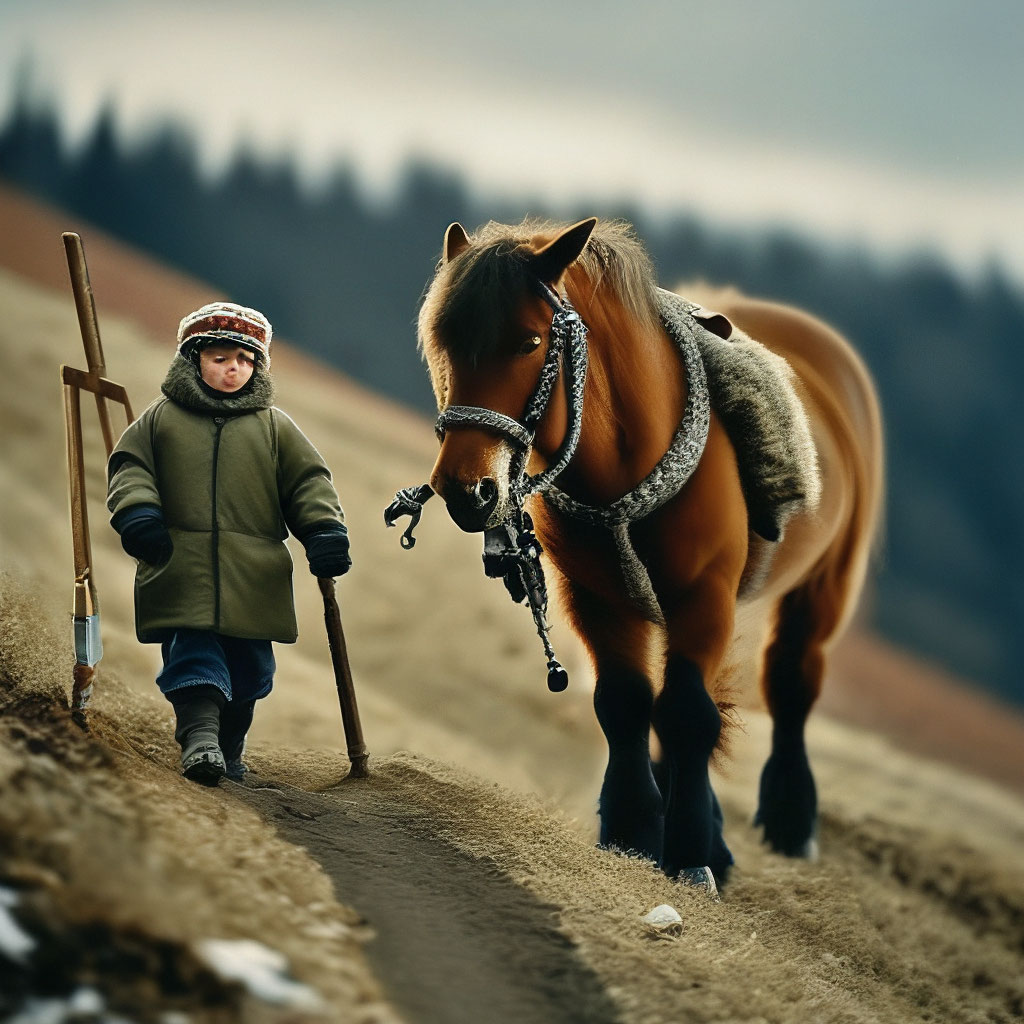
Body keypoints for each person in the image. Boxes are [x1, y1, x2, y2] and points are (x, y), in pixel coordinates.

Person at [107, 301, 351, 785]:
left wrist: (324, 531)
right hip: (180, 563)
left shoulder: (276, 427)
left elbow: (308, 483)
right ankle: (199, 741)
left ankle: (229, 748)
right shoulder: (160, 420)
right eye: (219, 358)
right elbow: (129, 467)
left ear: (257, 365)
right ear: (192, 359)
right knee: (193, 657)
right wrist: (137, 512)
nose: (232, 368)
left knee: (250, 672)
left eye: (244, 359)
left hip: (253, 574)